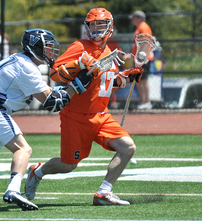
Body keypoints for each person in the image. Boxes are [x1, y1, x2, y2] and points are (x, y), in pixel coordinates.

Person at [0, 29, 93, 211]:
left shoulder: (19, 61)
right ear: (35, 47)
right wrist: (76, 86)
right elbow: (53, 104)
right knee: (23, 149)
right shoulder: (27, 67)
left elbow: (50, 94)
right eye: (48, 48)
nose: (51, 53)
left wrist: (70, 86)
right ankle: (13, 190)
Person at [25, 8, 144, 206]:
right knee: (68, 165)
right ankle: (37, 172)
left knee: (128, 147)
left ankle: (103, 193)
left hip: (101, 115)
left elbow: (104, 84)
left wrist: (124, 78)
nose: (96, 29)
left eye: (100, 24)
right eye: (93, 24)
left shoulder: (108, 52)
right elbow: (55, 73)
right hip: (76, 116)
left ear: (110, 26)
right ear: (87, 27)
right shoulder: (80, 46)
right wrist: (80, 64)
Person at [125, 10, 154, 110]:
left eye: (133, 18)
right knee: (139, 80)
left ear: (138, 18)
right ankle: (143, 101)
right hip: (139, 59)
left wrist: (141, 58)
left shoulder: (143, 27)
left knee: (143, 80)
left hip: (143, 59)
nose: (132, 20)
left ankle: (146, 102)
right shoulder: (139, 27)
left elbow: (145, 43)